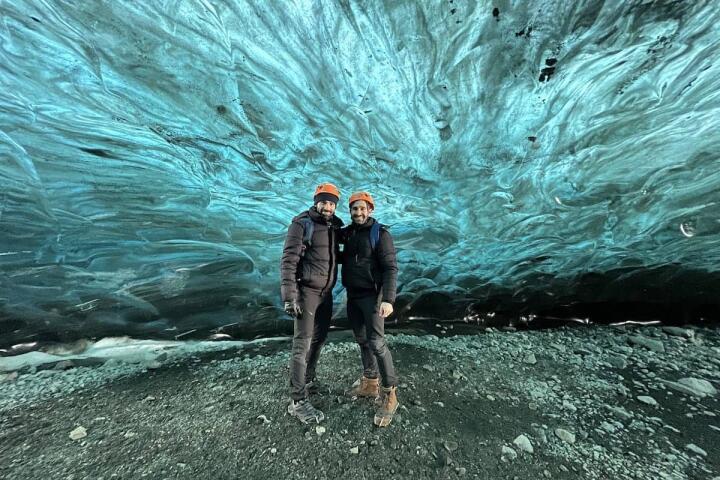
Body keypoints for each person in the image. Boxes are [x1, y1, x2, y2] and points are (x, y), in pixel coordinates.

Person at [281, 183, 344, 424]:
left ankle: (308, 379)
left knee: (319, 338)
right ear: (316, 201)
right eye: (324, 202)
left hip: (326, 293)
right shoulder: (301, 223)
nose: (327, 207)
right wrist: (290, 296)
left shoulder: (334, 226)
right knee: (302, 344)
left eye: (331, 203)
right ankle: (298, 401)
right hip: (306, 292)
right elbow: (288, 260)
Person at [341, 191, 399, 427]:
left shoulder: (381, 234)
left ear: (371, 210)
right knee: (362, 339)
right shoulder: (349, 232)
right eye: (355, 209)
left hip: (373, 297)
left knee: (377, 343)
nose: (358, 213)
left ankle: (390, 394)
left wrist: (388, 299)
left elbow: (390, 269)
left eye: (363, 208)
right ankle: (370, 382)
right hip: (353, 295)